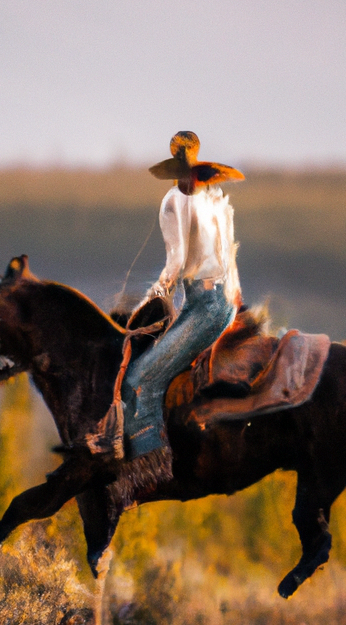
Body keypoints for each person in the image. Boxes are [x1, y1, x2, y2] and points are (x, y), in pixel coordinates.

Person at [112, 131, 244, 503]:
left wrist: (151, 297)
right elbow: (228, 258)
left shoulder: (172, 201)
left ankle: (147, 470)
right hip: (218, 302)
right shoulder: (215, 200)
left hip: (203, 305)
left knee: (139, 380)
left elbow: (174, 265)